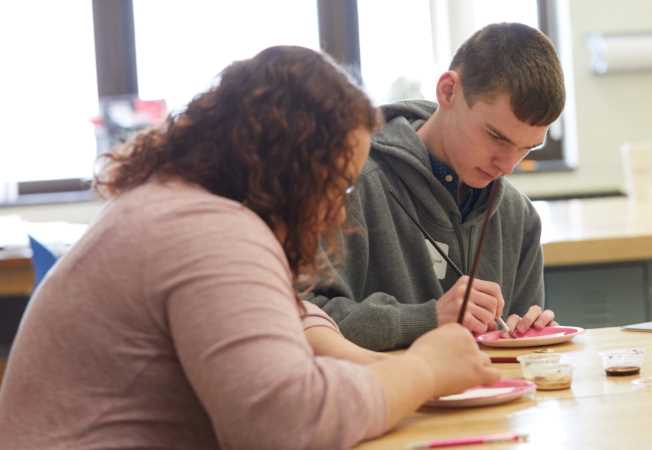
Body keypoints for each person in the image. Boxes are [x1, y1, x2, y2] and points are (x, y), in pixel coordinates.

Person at [0, 46, 499, 450]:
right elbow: (288, 425)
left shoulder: (175, 206)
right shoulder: (208, 232)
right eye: (336, 186)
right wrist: (422, 369)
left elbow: (281, 314)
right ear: (291, 172)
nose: (337, 213)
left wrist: (381, 368)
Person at [309, 23, 566, 351]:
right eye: (496, 137)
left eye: (527, 148)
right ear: (448, 91)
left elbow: (518, 358)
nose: (507, 165)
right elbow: (300, 320)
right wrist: (428, 318)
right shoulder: (351, 187)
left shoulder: (519, 216)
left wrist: (526, 333)